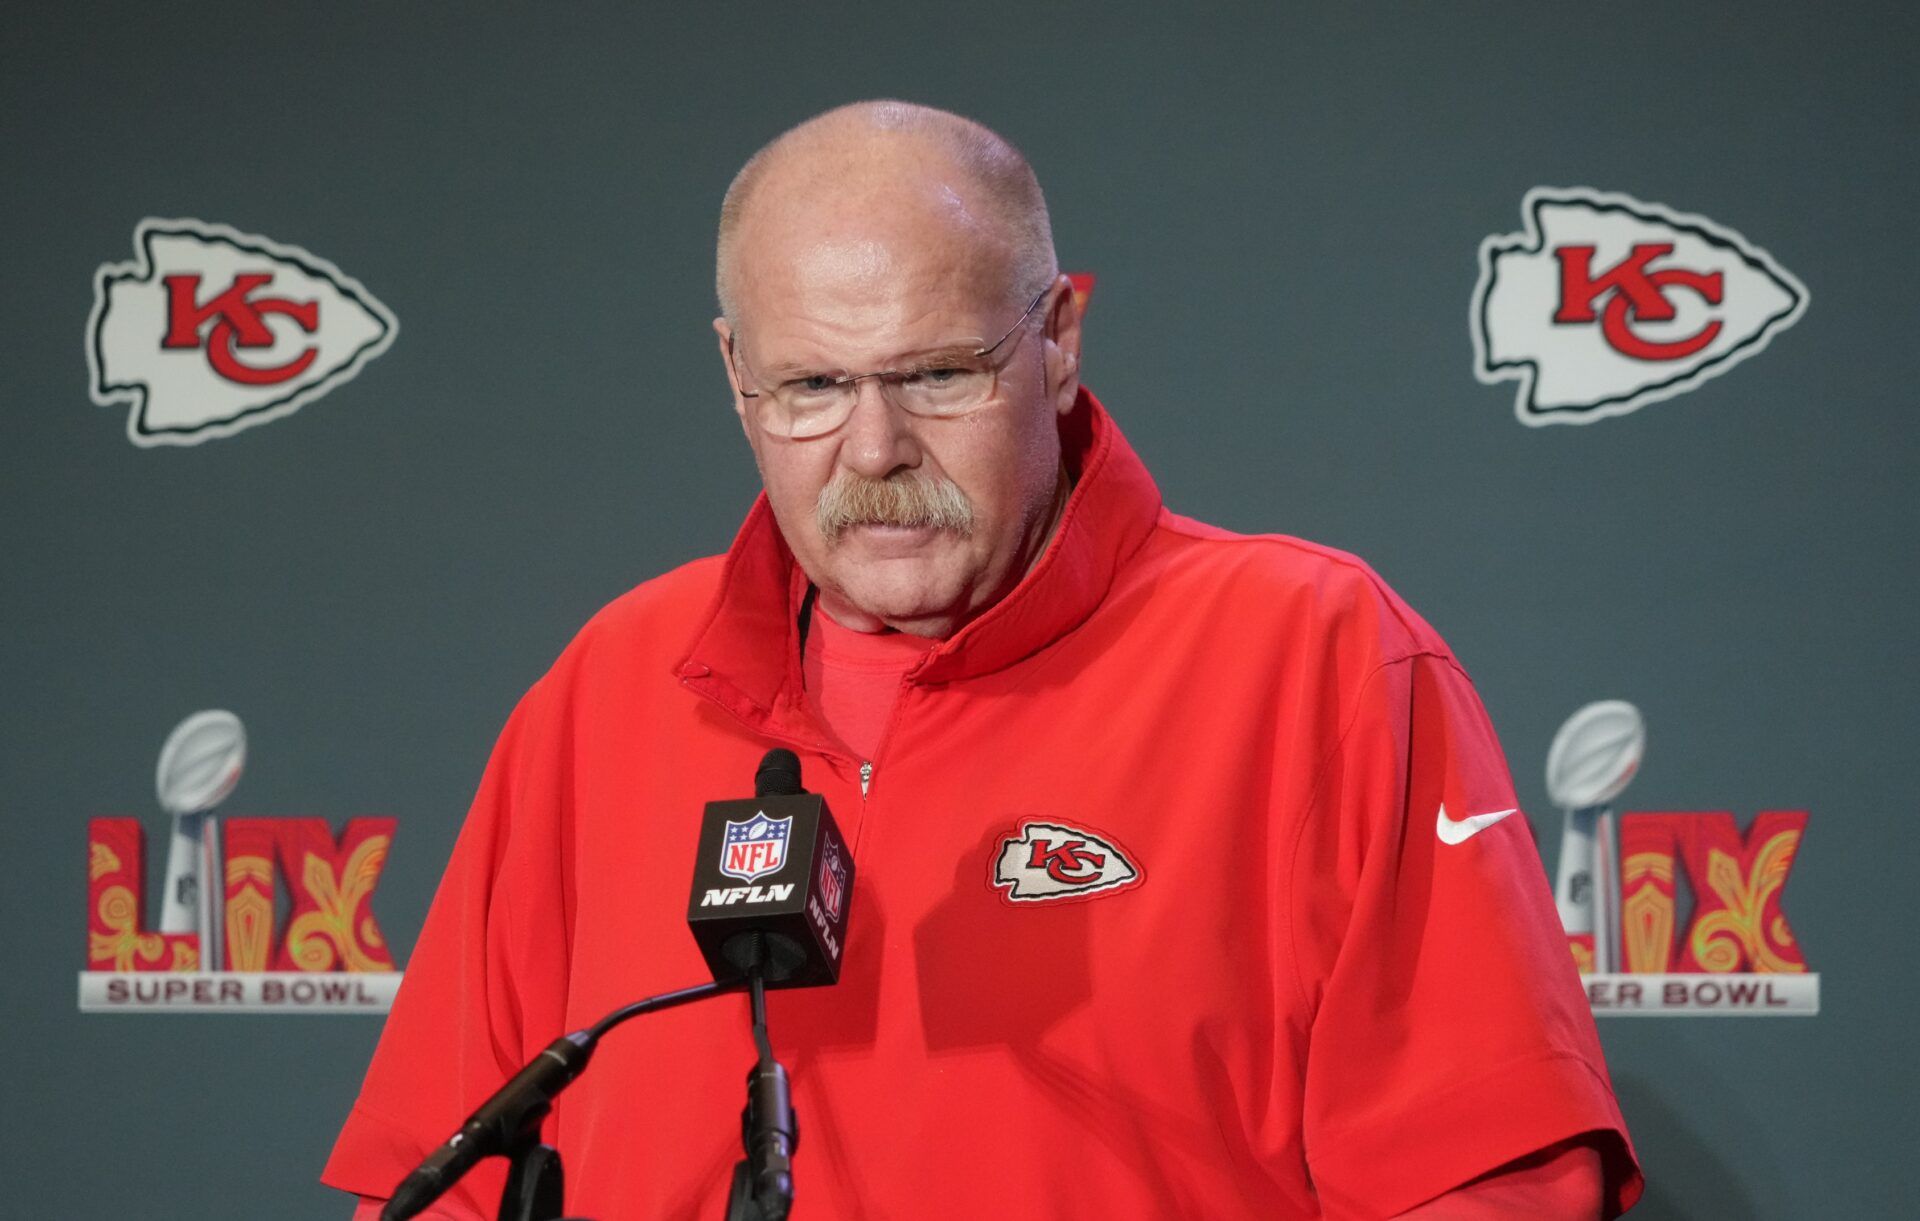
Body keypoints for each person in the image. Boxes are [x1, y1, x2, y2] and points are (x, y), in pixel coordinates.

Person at [326, 101, 1641, 1219]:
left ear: (1059, 338)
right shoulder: (608, 686)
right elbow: (436, 1178)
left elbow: (1488, 1185)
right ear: (736, 375)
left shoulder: (1320, 660)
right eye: (811, 388)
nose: (876, 446)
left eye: (940, 374)